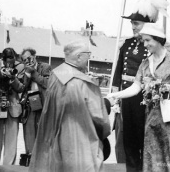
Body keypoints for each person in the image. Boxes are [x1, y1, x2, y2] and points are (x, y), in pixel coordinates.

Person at [108, 23, 170, 172]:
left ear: (158, 40)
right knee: (152, 153)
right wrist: (115, 95)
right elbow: (136, 87)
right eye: (144, 40)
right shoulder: (144, 64)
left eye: (148, 40)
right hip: (152, 117)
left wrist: (168, 88)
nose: (145, 44)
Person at [28, 40, 110, 172]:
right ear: (78, 56)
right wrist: (103, 134)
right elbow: (101, 120)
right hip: (78, 142)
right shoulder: (84, 83)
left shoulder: (55, 75)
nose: (89, 57)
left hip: (52, 137)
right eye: (88, 54)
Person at [112, 0, 168, 172]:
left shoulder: (155, 46)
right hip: (127, 97)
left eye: (136, 23)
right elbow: (118, 73)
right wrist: (115, 96)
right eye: (132, 23)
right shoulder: (127, 44)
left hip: (145, 98)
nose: (133, 26)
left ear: (148, 25)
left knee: (145, 139)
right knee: (127, 139)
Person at [0, 48, 25, 172]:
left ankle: (8, 169)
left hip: (13, 108)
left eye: (12, 61)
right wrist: (0, 76)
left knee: (11, 144)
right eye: (8, 62)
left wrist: (12, 78)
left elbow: (21, 88)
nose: (10, 64)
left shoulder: (19, 67)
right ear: (3, 59)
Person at [20, 48, 52, 154]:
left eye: (29, 58)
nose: (28, 61)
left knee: (43, 136)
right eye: (25, 60)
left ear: (35, 56)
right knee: (29, 137)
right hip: (30, 105)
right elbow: (22, 87)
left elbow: (47, 84)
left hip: (43, 105)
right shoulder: (23, 70)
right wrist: (27, 74)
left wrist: (33, 73)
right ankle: (30, 160)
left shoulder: (45, 67)